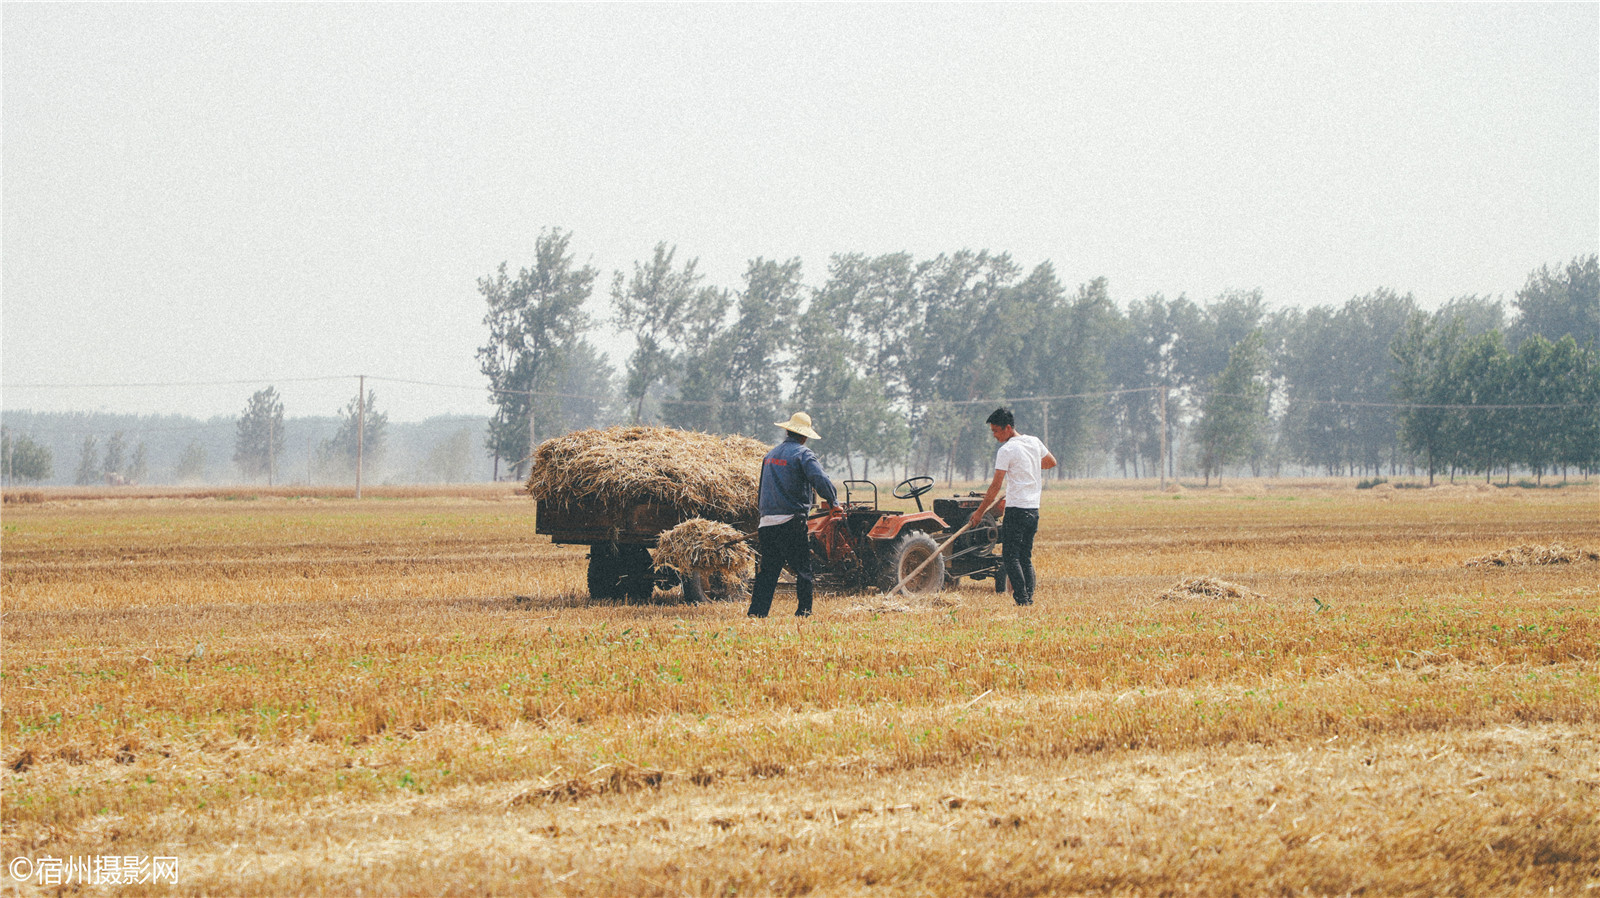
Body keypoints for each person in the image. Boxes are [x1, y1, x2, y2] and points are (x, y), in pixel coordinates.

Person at [747, 412, 838, 618]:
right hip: (791, 522)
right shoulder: (803, 455)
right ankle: (804, 613)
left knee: (768, 572)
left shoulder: (769, 456)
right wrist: (833, 502)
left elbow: (762, 489)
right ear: (804, 436)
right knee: (804, 570)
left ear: (787, 431)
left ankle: (756, 613)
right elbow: (820, 479)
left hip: (767, 523)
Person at [969, 407, 1057, 606]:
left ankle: (1022, 600)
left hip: (1016, 510)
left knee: (1010, 557)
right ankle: (1029, 599)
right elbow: (1051, 462)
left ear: (1008, 428)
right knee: (1024, 556)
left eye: (996, 431)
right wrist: (1030, 465)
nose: (994, 435)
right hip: (1033, 510)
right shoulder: (1034, 442)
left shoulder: (1007, 450)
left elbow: (995, 486)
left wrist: (979, 512)